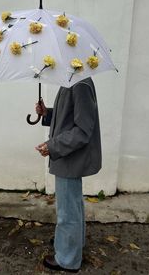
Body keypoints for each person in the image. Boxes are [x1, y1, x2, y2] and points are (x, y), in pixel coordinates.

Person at [35, 76, 102, 273]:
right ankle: (72, 242)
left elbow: (83, 130)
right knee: (73, 204)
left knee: (67, 211)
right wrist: (46, 113)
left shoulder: (80, 85)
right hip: (67, 155)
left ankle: (67, 259)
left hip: (70, 156)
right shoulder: (71, 80)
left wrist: (52, 145)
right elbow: (67, 118)